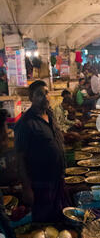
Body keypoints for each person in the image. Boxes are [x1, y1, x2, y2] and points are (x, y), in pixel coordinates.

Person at [14, 80, 67, 222]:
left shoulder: (49, 115)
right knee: (44, 221)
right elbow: (20, 158)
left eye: (46, 93)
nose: (45, 97)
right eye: (39, 94)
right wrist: (26, 188)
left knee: (60, 217)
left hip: (58, 179)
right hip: (41, 184)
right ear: (31, 98)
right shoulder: (25, 124)